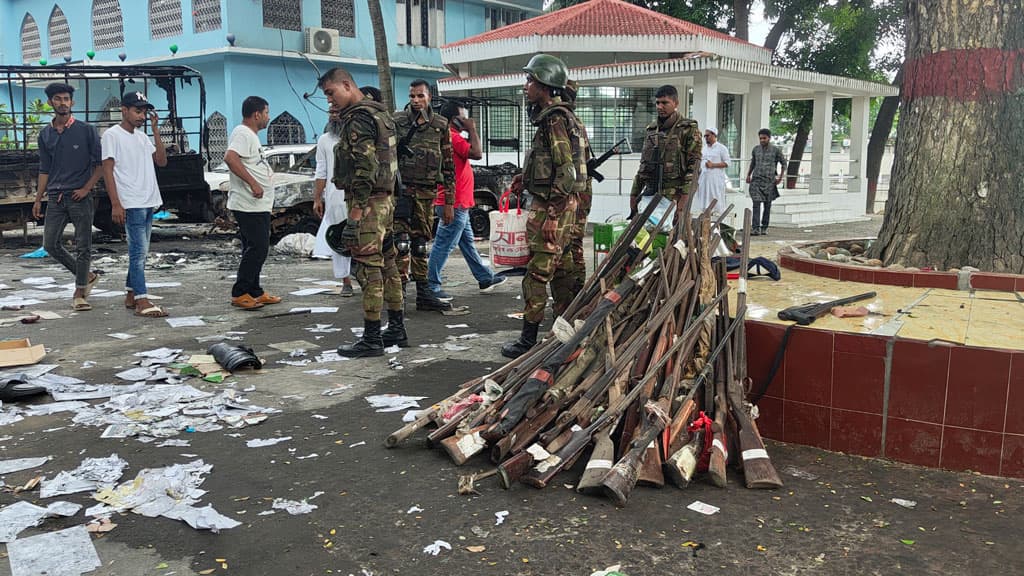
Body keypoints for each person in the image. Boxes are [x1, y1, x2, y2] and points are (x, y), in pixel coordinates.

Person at [501, 54, 587, 359]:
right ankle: (566, 331)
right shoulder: (563, 118)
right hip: (560, 206)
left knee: (537, 275)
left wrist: (551, 215)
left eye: (531, 81)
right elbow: (552, 165)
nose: (526, 86)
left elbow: (567, 171)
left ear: (546, 85)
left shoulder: (554, 119)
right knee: (563, 271)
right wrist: (525, 179)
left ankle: (527, 340)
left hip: (552, 208)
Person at [318, 67, 404, 358]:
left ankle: (371, 338)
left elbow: (365, 169)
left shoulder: (358, 119)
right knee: (389, 265)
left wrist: (355, 215)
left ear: (347, 85)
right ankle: (396, 328)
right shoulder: (381, 114)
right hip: (386, 203)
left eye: (331, 93)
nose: (330, 100)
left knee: (368, 270)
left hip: (367, 205)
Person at [425, 100, 507, 301]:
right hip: (454, 203)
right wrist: (473, 129)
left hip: (461, 202)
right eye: (464, 117)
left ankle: (484, 278)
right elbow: (477, 153)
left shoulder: (449, 137)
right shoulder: (453, 138)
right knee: (443, 245)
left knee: (467, 243)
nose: (467, 120)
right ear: (455, 120)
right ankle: (431, 286)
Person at [33, 83, 103, 312]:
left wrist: (86, 189)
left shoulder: (86, 130)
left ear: (72, 102)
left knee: (84, 245)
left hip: (79, 195)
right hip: (55, 196)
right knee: (50, 244)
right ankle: (88, 276)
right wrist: (38, 199)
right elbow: (44, 169)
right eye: (57, 99)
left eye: (66, 99)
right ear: (50, 102)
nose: (62, 103)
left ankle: (80, 291)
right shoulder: (45, 134)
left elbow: (100, 165)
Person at [101, 91, 168, 318]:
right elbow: (107, 171)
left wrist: (156, 129)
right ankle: (142, 300)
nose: (141, 116)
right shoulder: (112, 135)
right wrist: (116, 204)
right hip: (131, 201)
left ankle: (131, 294)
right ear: (124, 110)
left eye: (144, 111)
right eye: (137, 111)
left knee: (141, 251)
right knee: (138, 253)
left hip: (148, 200)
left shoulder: (142, 137)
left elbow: (161, 160)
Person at [392, 79, 456, 312]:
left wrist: (449, 202)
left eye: (420, 96)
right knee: (400, 243)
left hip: (426, 194)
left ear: (430, 97)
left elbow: (448, 166)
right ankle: (397, 293)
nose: (416, 100)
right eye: (412, 96)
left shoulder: (440, 125)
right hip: (401, 192)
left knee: (420, 244)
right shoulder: (397, 121)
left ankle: (423, 293)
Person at [223, 96, 283, 310]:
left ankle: (254, 290)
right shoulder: (242, 133)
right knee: (258, 248)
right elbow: (230, 158)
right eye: (266, 113)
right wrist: (253, 183)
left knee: (256, 247)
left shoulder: (251, 136)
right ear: (256, 114)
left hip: (258, 204)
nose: (268, 117)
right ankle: (240, 292)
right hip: (248, 203)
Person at [629, 85, 701, 219]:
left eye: (664, 103)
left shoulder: (688, 129)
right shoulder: (651, 130)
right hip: (651, 194)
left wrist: (683, 201)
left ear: (676, 103)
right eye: (657, 103)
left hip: (675, 196)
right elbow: (643, 167)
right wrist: (634, 194)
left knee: (673, 237)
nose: (659, 107)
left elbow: (694, 167)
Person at [312, 111, 355, 297]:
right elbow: (321, 171)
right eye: (331, 113)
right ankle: (346, 281)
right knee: (338, 238)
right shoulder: (324, 140)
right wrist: (317, 198)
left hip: (358, 196)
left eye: (338, 112)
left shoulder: (359, 137)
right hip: (335, 198)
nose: (334, 116)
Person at [558, 79, 594, 292]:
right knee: (574, 243)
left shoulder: (566, 123)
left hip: (576, 193)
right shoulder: (575, 122)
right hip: (580, 192)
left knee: (570, 245)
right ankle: (576, 293)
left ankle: (575, 294)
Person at [745, 128, 787, 236]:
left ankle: (764, 227)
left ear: (769, 138)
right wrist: (748, 175)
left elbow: (784, 164)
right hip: (756, 180)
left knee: (767, 205)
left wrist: (780, 178)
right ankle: (755, 228)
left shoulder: (776, 150)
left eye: (764, 138)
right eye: (760, 138)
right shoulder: (756, 149)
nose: (762, 140)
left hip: (769, 181)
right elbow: (753, 163)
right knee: (756, 204)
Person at [693, 127, 731, 216]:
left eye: (708, 136)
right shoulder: (703, 149)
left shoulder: (722, 148)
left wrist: (713, 165)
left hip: (715, 180)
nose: (706, 138)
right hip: (703, 180)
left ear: (714, 135)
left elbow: (728, 163)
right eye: (705, 136)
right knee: (703, 201)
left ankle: (716, 221)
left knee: (716, 200)